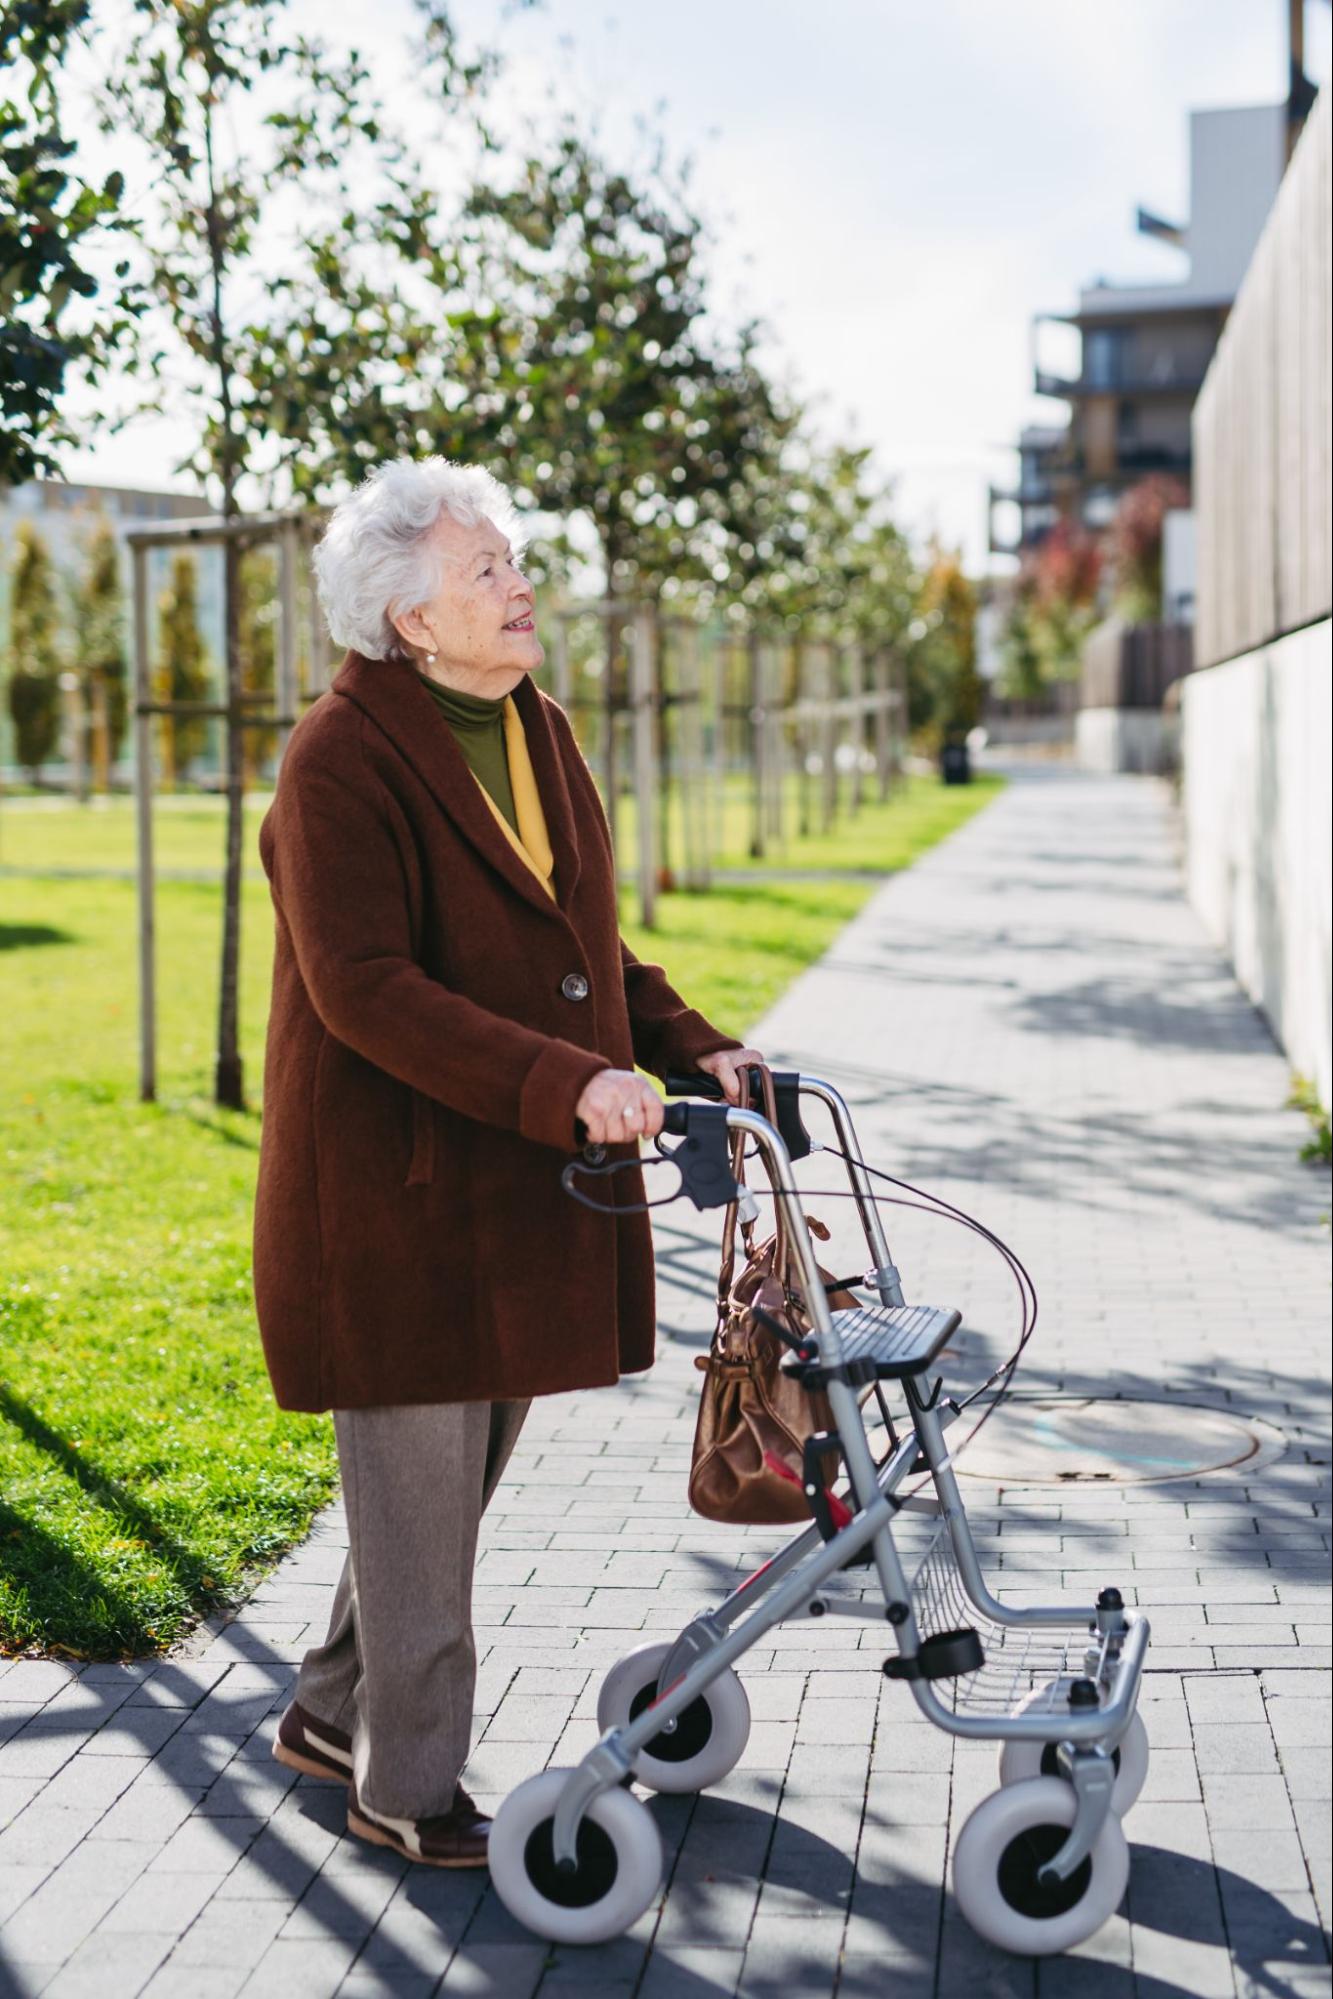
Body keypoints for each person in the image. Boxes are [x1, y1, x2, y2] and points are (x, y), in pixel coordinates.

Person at [254, 457, 762, 1867]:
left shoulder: (533, 725)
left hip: (509, 1188)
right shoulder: (336, 760)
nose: (520, 584)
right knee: (426, 1525)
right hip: (394, 1201)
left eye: (511, 561)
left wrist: (685, 1044)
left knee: (437, 1503)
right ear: (411, 619)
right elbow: (363, 987)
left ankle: (320, 1711)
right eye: (486, 570)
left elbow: (584, 948)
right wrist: (568, 1081)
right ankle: (402, 1790)